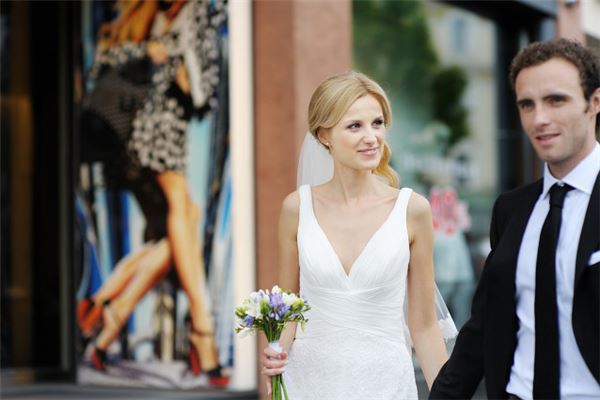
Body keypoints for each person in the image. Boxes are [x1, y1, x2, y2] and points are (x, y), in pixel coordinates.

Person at [261, 71, 451, 399]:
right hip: (308, 382)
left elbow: (424, 327)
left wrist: (449, 395)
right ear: (324, 135)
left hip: (386, 384)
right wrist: (275, 351)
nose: (372, 137)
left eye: (377, 123)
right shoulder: (297, 208)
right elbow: (290, 310)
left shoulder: (412, 210)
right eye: (355, 126)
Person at [430, 38, 600, 399]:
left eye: (556, 100)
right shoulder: (511, 209)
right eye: (527, 104)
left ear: (595, 102)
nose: (540, 119)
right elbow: (484, 324)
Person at [77, 0, 228, 385]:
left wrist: (171, 59)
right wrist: (151, 54)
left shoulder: (184, 14)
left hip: (139, 141)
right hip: (150, 132)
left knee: (172, 236)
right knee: (185, 215)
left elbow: (201, 88)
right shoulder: (151, 16)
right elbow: (103, 66)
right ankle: (202, 330)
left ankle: (105, 314)